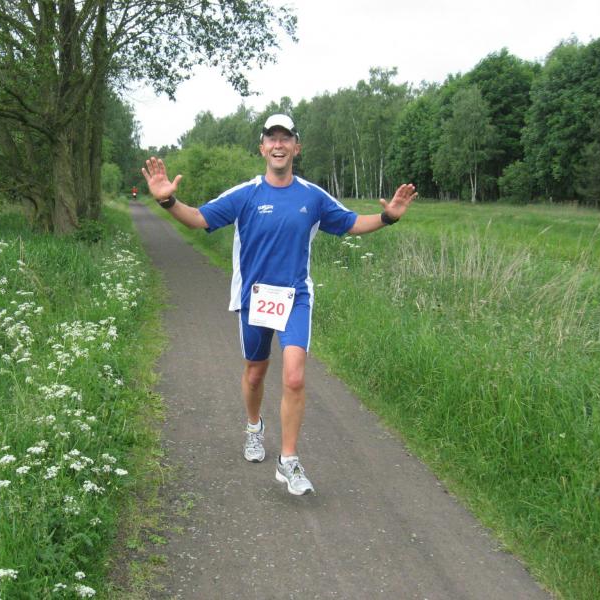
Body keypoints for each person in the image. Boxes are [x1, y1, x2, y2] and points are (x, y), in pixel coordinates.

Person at [142, 114, 416, 495]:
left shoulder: (312, 196)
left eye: (285, 138)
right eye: (271, 138)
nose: (278, 144)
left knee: (295, 377)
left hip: (295, 297)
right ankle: (254, 427)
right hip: (254, 298)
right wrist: (168, 200)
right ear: (262, 148)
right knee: (255, 373)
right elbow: (198, 218)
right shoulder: (246, 194)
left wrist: (388, 217)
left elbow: (351, 223)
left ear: (296, 147)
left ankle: (288, 460)